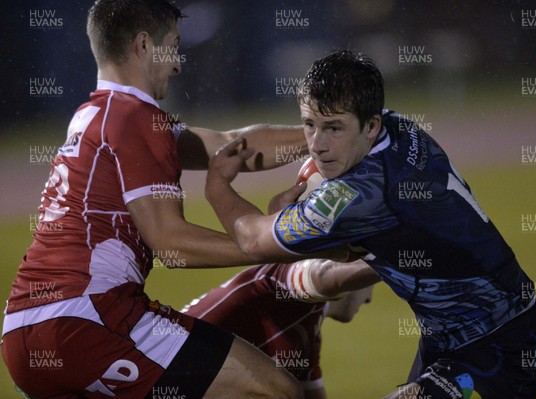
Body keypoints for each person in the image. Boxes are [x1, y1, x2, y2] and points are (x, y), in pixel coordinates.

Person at [1, 1, 312, 398]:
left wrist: (327, 135)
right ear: (145, 45)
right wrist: (279, 243)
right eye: (174, 46)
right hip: (87, 318)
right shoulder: (134, 116)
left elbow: (227, 147)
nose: (179, 64)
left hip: (23, 333)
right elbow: (170, 243)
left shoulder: (94, 115)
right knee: (273, 390)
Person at [205, 51, 536, 398]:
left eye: (333, 129)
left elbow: (253, 240)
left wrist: (218, 185)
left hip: (502, 350)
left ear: (369, 126)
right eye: (310, 125)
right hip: (450, 343)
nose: (316, 145)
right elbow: (363, 243)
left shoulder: (355, 196)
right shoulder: (395, 125)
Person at [181, 258, 379, 399]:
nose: (369, 299)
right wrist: (386, 262)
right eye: (372, 283)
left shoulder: (307, 335)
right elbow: (321, 276)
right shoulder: (278, 277)